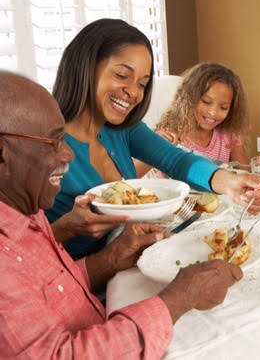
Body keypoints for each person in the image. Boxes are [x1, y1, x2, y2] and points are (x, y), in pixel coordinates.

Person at [0, 72, 244, 358]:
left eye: (142, 83)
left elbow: (54, 291)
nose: (68, 155)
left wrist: (112, 258)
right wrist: (178, 299)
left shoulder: (26, 212)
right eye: (54, 142)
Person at [49, 19, 260, 259]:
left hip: (128, 264)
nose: (134, 92)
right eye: (122, 75)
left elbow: (176, 161)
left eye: (142, 84)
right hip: (74, 282)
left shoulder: (123, 130)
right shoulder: (45, 146)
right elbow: (16, 249)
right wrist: (64, 229)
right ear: (85, 67)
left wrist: (229, 182)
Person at [136, 62, 250, 177]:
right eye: (206, 102)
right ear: (189, 99)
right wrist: (157, 148)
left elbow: (245, 173)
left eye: (223, 107)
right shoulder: (171, 134)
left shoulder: (228, 136)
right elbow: (132, 175)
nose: (213, 112)